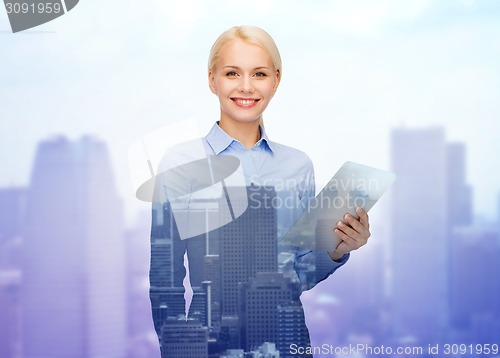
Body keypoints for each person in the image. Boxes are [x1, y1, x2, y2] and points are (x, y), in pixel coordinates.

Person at [149, 25, 371, 357]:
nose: (246, 86)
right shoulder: (182, 163)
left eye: (260, 73)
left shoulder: (297, 166)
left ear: (276, 80)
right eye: (232, 73)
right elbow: (165, 278)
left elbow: (298, 275)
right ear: (212, 80)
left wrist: (337, 249)